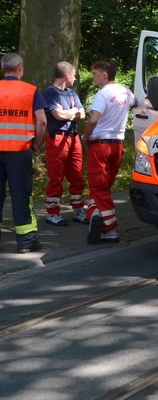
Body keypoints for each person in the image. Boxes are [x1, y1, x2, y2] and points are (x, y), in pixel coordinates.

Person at [82, 59, 137, 245]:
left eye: (94, 73)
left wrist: (86, 136)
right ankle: (94, 212)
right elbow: (138, 102)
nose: (92, 77)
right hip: (118, 145)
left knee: (98, 187)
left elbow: (93, 120)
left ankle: (110, 227)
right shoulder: (125, 91)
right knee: (104, 187)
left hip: (101, 145)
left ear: (104, 75)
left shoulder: (102, 94)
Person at [0, 52, 47, 253]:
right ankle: (26, 241)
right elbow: (42, 121)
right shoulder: (31, 91)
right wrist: (36, 143)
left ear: (4, 69)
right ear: (20, 68)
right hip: (20, 152)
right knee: (21, 194)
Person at [43, 61, 88, 226]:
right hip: (57, 138)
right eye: (74, 75)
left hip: (73, 137)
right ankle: (52, 213)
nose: (75, 78)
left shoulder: (72, 93)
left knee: (76, 174)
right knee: (56, 175)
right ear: (67, 75)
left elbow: (82, 114)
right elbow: (57, 115)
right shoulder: (50, 92)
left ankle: (78, 210)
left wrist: (68, 113)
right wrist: (72, 113)